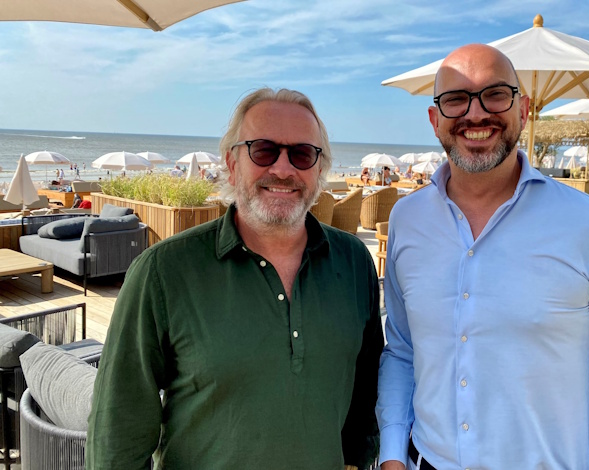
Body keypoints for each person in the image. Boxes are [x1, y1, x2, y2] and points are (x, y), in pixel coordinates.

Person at [376, 44, 589, 470]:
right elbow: (402, 350)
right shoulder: (408, 219)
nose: (475, 114)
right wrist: (392, 454)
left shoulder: (588, 224)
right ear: (435, 120)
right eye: (456, 99)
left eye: (495, 94)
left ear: (523, 110)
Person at [86, 88, 383, 469]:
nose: (283, 169)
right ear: (231, 162)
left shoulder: (354, 262)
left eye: (302, 154)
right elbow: (117, 432)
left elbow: (365, 394)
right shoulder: (163, 272)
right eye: (263, 150)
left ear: (319, 168)